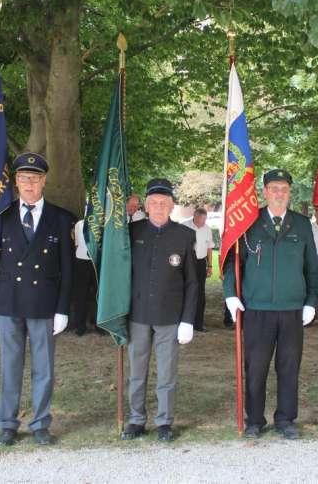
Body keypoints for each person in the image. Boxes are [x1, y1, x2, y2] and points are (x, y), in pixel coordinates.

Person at [0, 152, 74, 446]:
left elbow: (68, 268)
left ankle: (41, 423)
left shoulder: (61, 218)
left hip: (44, 303)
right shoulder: (0, 216)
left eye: (34, 178)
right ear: (16, 182)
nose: (29, 184)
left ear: (44, 181)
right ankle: (7, 423)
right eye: (23, 178)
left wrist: (63, 308)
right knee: (10, 365)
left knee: (43, 367)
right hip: (8, 302)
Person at [223, 169, 318, 440]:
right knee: (256, 367)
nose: (279, 193)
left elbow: (311, 266)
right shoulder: (249, 223)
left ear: (290, 192)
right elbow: (233, 264)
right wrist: (230, 294)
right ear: (264, 192)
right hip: (258, 309)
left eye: (284, 189)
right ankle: (254, 419)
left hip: (291, 310)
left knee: (289, 367)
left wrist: (312, 300)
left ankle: (286, 419)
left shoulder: (301, 225)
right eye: (274, 188)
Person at [121, 178, 197, 443]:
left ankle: (164, 421)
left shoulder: (185, 235)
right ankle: (136, 419)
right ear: (146, 205)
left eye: (164, 203)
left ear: (172, 205)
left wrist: (188, 319)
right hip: (138, 315)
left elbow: (192, 282)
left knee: (166, 373)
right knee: (136, 372)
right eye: (154, 203)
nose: (158, 207)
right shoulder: (131, 232)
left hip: (169, 317)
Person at [181, 207, 215, 332]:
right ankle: (183, 321)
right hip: (187, 262)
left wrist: (210, 266)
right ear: (194, 217)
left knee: (200, 293)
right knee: (185, 290)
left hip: (200, 262)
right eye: (201, 220)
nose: (203, 223)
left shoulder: (207, 229)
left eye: (205, 220)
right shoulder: (184, 226)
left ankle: (198, 323)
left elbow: (209, 248)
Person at [70, 218, 98, 336]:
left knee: (99, 295)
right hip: (81, 261)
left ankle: (99, 325)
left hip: (97, 260)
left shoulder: (103, 224)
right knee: (80, 295)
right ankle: (79, 326)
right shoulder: (79, 224)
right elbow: (76, 243)